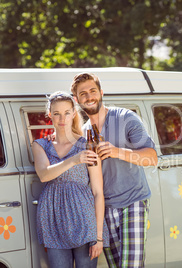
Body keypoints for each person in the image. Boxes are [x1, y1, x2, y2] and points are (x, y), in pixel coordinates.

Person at [70, 73, 158, 268]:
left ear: (101, 93)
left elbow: (151, 157)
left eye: (93, 91)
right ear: (77, 100)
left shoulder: (125, 117)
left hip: (133, 202)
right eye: (83, 94)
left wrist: (117, 151)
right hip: (105, 210)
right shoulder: (82, 134)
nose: (89, 96)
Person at [33, 91, 109, 268]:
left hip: (84, 219)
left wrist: (98, 236)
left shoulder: (87, 145)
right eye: (57, 113)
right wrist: (74, 159)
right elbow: (44, 175)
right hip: (53, 221)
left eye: (67, 112)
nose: (62, 118)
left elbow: (98, 192)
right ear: (50, 114)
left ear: (74, 113)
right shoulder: (40, 145)